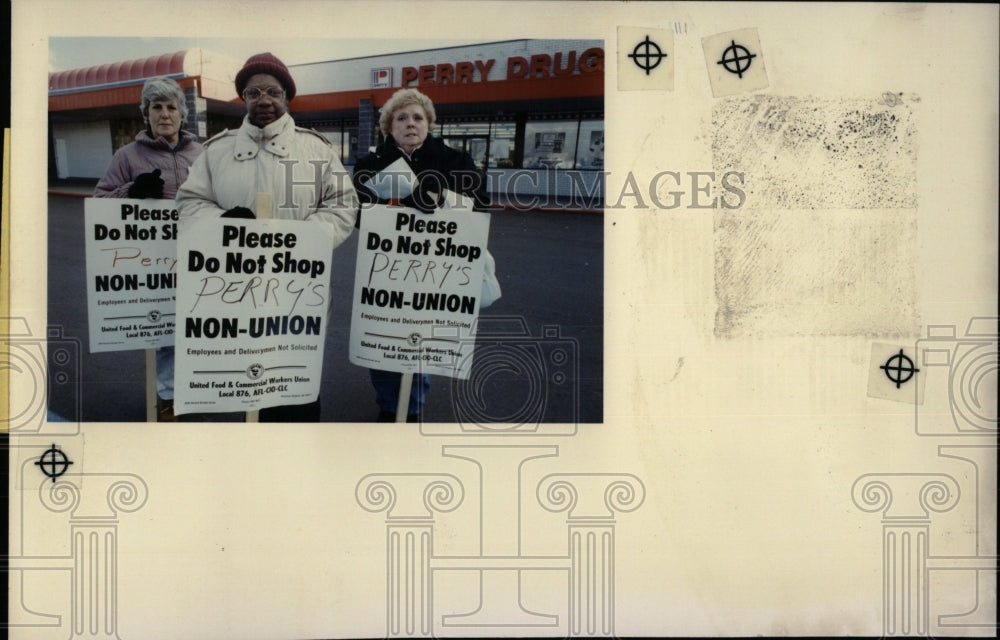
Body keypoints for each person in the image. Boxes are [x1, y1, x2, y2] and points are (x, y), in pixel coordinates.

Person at [175, 52, 358, 422]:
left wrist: (304, 239)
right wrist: (222, 221)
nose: (264, 100)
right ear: (243, 99)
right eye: (253, 92)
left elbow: (343, 205)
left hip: (297, 294)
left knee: (296, 389)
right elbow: (190, 203)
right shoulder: (217, 150)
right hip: (233, 292)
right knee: (242, 385)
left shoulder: (317, 150)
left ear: (286, 96)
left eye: (272, 91)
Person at [352, 88, 489, 422]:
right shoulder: (371, 164)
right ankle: (389, 406)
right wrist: (393, 206)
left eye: (417, 117)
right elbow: (357, 213)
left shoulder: (454, 160)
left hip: (436, 268)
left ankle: (411, 409)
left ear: (428, 124)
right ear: (388, 127)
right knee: (383, 338)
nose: (410, 123)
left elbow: (480, 203)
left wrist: (441, 199)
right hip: (387, 268)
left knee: (420, 341)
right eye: (401, 118)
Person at [94, 76, 204, 422]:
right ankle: (168, 398)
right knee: (165, 333)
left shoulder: (201, 154)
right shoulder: (127, 156)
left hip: (198, 257)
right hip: (151, 261)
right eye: (156, 107)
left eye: (171, 107)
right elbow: (99, 202)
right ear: (146, 113)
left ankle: (196, 390)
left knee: (197, 328)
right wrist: (131, 190)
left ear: (182, 114)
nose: (165, 114)